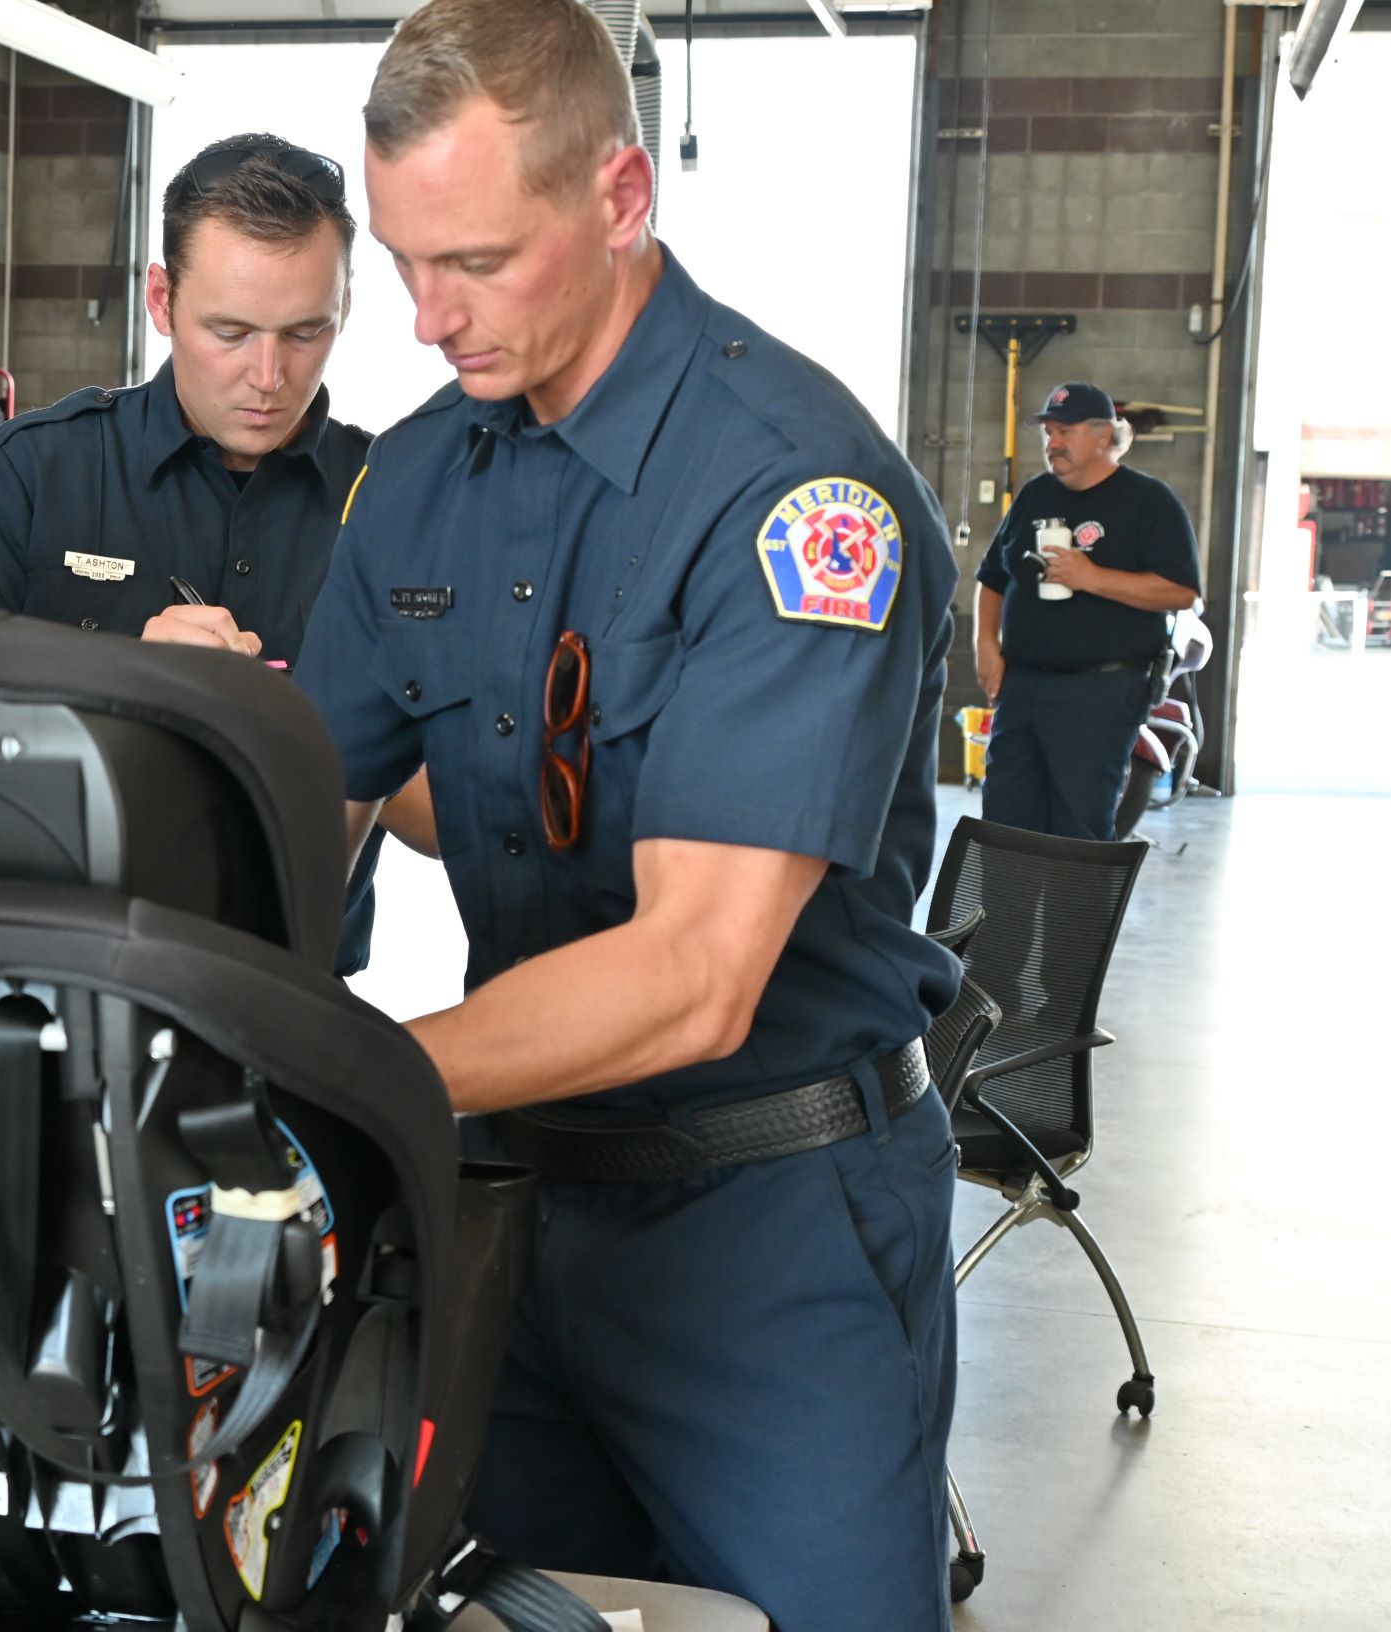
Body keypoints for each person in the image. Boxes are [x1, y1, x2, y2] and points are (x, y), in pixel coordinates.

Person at [292, 3, 962, 1627]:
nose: (425, 315)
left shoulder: (791, 497)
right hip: (509, 1215)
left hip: (768, 1232)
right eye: (398, 262)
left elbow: (691, 973)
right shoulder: (420, 482)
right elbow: (313, 794)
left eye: (474, 259)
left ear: (612, 197)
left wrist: (356, 1082)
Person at [0, 132, 393, 971]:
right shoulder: (38, 468)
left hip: (296, 990)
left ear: (345, 306)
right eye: (230, 331)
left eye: (304, 333)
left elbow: (453, 805)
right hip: (55, 976)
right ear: (159, 299)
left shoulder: (392, 499)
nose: (267, 376)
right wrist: (120, 682)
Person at [974, 382, 1200, 839]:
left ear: (1103, 437)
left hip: (1099, 692)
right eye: (1049, 432)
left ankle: (1069, 914)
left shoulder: (1147, 501)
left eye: (1065, 431)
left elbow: (1182, 593)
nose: (1052, 443)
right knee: (1004, 822)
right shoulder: (1036, 496)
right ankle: (1005, 913)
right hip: (1021, 687)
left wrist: (1091, 577)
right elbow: (993, 577)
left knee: (1078, 828)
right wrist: (984, 643)